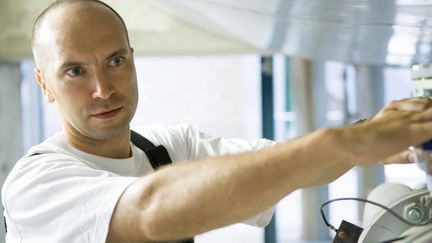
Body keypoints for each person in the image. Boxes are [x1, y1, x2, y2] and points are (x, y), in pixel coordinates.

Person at [3, 0, 432, 242]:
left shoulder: (163, 147)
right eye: (75, 71)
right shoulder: (36, 182)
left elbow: (275, 160)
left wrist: (377, 134)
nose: (102, 89)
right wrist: (347, 143)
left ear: (132, 61)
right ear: (45, 84)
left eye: (115, 61)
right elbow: (150, 209)